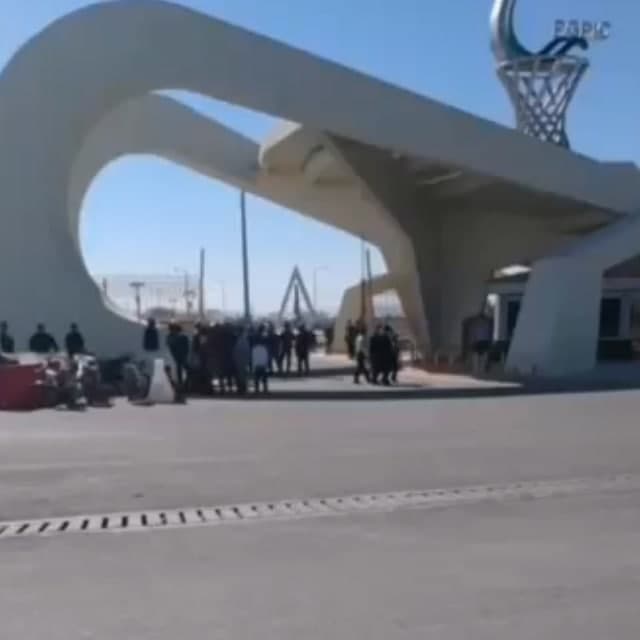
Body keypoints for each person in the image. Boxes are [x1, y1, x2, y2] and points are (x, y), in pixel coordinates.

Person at [166, 322, 190, 390]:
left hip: (178, 356)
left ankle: (182, 383)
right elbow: (186, 347)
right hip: (178, 356)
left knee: (181, 369)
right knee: (181, 369)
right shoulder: (178, 337)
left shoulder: (173, 337)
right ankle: (182, 383)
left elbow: (170, 345)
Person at [232, 327, 251, 395]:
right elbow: (247, 351)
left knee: (239, 374)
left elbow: (235, 351)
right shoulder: (244, 340)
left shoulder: (236, 340)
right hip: (243, 359)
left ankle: (241, 388)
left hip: (238, 359)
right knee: (243, 374)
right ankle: (243, 387)